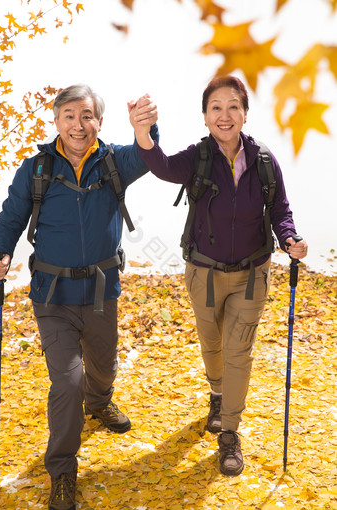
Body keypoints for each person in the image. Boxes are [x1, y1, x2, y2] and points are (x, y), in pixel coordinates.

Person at [128, 75, 308, 477]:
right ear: (205, 115)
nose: (225, 115)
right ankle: (216, 393)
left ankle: (230, 431)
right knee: (212, 345)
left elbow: (280, 208)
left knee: (238, 351)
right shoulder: (199, 157)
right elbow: (163, 167)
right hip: (204, 273)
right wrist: (143, 134)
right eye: (216, 108)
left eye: (233, 107)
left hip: (251, 273)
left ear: (245, 113)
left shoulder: (263, 160)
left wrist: (290, 238)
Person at [0, 84, 158, 510]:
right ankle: (63, 470)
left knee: (102, 367)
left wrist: (145, 129)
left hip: (103, 293)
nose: (78, 124)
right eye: (69, 115)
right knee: (67, 382)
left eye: (86, 116)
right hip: (53, 297)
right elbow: (10, 219)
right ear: (56, 122)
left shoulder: (113, 162)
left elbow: (146, 155)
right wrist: (0, 252)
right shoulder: (35, 170)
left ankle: (101, 401)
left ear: (99, 122)